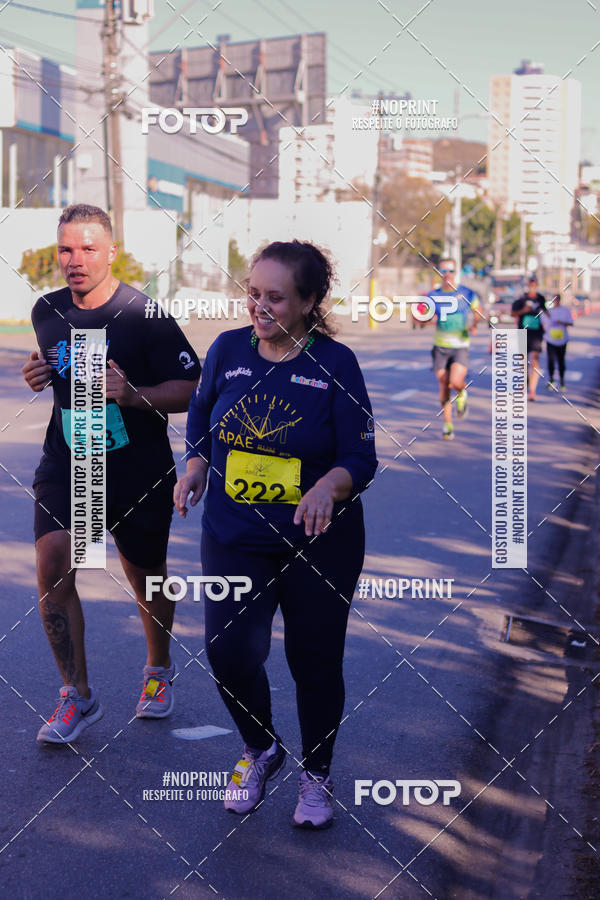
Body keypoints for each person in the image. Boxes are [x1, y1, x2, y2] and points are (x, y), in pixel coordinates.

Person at [174, 240, 377, 829]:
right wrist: (195, 465)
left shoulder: (335, 365)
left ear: (311, 302)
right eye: (253, 293)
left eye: (276, 298)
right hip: (235, 531)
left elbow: (360, 457)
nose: (259, 307)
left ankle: (316, 776)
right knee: (229, 652)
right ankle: (261, 750)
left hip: (319, 539)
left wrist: (327, 487)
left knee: (313, 660)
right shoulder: (227, 349)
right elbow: (201, 415)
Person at [22, 204, 200, 743]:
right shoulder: (46, 309)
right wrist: (39, 371)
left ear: (112, 252)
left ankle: (158, 669)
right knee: (54, 558)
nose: (76, 261)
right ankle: (77, 695)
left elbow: (192, 388)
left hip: (136, 468)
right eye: (67, 250)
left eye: (88, 249)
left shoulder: (144, 314)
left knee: (145, 576)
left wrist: (135, 393)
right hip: (69, 461)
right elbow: (60, 368)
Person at [426, 258, 480, 440]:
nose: (447, 274)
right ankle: (448, 424)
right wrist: (421, 318)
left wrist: (474, 324)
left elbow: (477, 311)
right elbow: (424, 314)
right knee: (443, 385)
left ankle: (462, 393)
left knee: (455, 381)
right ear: (439, 273)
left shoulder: (467, 293)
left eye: (450, 270)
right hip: (440, 346)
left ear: (456, 272)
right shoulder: (433, 295)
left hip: (459, 346)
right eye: (443, 271)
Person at [511, 276, 546, 401]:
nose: (532, 286)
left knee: (535, 361)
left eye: (534, 284)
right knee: (523, 362)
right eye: (531, 284)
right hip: (523, 332)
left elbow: (546, 313)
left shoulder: (541, 298)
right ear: (528, 285)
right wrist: (524, 310)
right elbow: (512, 313)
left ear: (537, 285)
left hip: (536, 334)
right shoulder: (522, 298)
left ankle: (532, 391)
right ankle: (522, 387)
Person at [540, 294, 574, 392]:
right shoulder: (548, 312)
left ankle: (562, 381)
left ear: (560, 300)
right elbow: (543, 323)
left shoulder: (565, 310)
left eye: (557, 299)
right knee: (551, 361)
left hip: (562, 340)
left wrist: (561, 322)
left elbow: (571, 323)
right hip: (550, 340)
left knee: (561, 361)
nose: (556, 301)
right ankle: (551, 380)